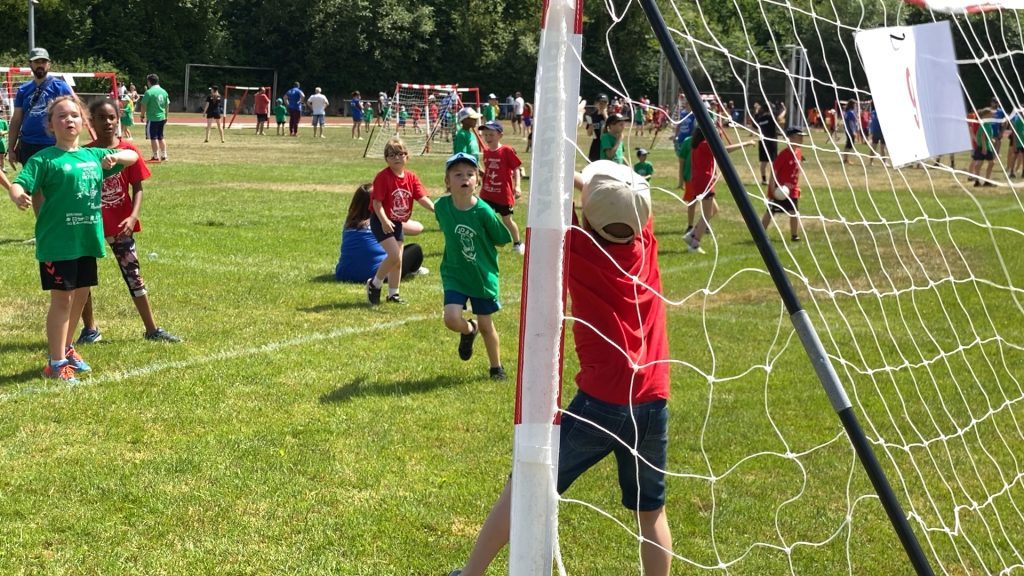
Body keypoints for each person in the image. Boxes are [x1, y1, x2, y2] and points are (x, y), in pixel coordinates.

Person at [448, 160, 672, 576]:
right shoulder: (646, 239)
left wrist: (564, 157)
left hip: (599, 405)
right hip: (653, 401)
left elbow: (560, 185)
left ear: (589, 214)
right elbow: (624, 202)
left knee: (527, 485)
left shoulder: (576, 245)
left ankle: (470, 573)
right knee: (651, 512)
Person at [7, 95, 139, 382]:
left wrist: (114, 157)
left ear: (83, 122)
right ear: (51, 126)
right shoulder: (44, 159)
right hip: (58, 243)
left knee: (80, 296)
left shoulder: (92, 156)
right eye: (61, 116)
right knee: (62, 300)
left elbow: (133, 156)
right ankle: (55, 363)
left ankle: (67, 350)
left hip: (86, 241)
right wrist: (18, 194)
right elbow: (20, 183)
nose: (69, 120)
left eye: (74, 115)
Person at [75, 98, 180, 345]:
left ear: (118, 119)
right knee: (83, 278)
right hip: (91, 227)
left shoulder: (129, 150)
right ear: (91, 122)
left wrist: (133, 216)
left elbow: (138, 187)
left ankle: (152, 328)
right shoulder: (85, 154)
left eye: (112, 117)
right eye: (101, 118)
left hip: (121, 225)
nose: (108, 122)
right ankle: (90, 329)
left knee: (133, 275)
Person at [435, 152, 513, 380]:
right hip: (455, 272)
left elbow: (501, 238)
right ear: (448, 182)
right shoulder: (442, 207)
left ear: (477, 180)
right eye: (458, 174)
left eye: (470, 174)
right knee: (451, 318)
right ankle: (469, 330)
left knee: (487, 325)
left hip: (482, 274)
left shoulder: (484, 212)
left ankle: (496, 367)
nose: (465, 178)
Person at [366, 137, 436, 305]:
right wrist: (383, 220)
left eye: (400, 154)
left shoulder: (411, 178)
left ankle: (393, 294)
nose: (396, 157)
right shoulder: (383, 177)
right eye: (391, 155)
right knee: (394, 255)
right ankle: (374, 284)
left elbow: (422, 197)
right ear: (386, 159)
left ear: (407, 156)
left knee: (398, 261)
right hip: (381, 220)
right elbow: (377, 203)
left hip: (397, 222)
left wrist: (437, 211)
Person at [684, 125, 754, 254]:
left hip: (699, 181)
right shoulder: (705, 144)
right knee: (706, 214)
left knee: (714, 209)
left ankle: (692, 234)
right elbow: (724, 150)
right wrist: (746, 143)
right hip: (704, 182)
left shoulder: (698, 144)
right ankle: (694, 244)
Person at [336, 183, 426, 282]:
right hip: (379, 274)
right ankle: (413, 269)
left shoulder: (348, 222)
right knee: (415, 249)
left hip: (344, 273)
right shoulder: (383, 221)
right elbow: (418, 228)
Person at [7, 48, 77, 169]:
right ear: (30, 64)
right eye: (37, 62)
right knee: (31, 186)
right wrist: (11, 148)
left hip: (53, 145)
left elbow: (76, 115)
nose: (40, 65)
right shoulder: (23, 89)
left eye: (43, 62)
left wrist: (72, 145)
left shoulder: (61, 87)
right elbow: (16, 120)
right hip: (28, 145)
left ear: (49, 64)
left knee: (53, 185)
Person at [479, 121, 524, 255]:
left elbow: (516, 168)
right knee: (483, 218)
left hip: (503, 194)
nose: (488, 137)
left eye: (491, 134)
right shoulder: (486, 151)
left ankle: (518, 243)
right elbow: (488, 170)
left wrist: (518, 186)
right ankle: (485, 244)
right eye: (485, 134)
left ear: (500, 135)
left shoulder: (506, 151)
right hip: (487, 193)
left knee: (507, 220)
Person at [761, 128, 805, 242]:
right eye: (798, 136)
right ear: (790, 138)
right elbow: (773, 173)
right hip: (780, 190)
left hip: (792, 191)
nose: (801, 139)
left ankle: (794, 235)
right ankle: (759, 233)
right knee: (770, 212)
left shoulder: (799, 152)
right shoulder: (783, 155)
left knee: (794, 212)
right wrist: (772, 190)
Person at [138, 73, 169, 162]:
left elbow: (143, 105)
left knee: (153, 137)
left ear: (149, 82)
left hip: (153, 118)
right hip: (162, 117)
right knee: (161, 137)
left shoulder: (149, 92)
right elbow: (167, 105)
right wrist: (166, 116)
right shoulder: (164, 91)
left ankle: (155, 156)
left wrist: (142, 115)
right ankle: (164, 155)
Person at [754, 102, 781, 183]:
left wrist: (756, 110)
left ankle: (764, 179)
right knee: (773, 161)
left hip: (762, 141)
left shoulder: (760, 118)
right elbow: (779, 118)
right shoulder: (771, 117)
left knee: (763, 162)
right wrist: (785, 110)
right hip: (772, 141)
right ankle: (774, 180)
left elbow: (754, 126)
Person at [969, 107, 996, 187]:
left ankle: (977, 181)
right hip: (985, 148)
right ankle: (986, 181)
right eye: (991, 115)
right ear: (986, 116)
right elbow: (983, 136)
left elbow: (984, 135)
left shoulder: (985, 124)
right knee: (991, 163)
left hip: (982, 146)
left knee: (979, 164)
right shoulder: (986, 124)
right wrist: (984, 147)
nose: (993, 117)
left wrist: (991, 139)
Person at [585, 93, 610, 162]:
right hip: (596, 143)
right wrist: (591, 126)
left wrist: (605, 115)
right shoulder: (592, 116)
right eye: (600, 102)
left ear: (607, 103)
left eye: (604, 102)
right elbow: (589, 133)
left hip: (607, 143)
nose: (602, 105)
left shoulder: (611, 115)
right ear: (596, 103)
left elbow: (611, 127)